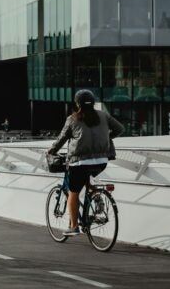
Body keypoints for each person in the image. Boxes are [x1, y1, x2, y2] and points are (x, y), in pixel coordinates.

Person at [48, 90, 124, 236]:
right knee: (87, 178)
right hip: (102, 161)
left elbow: (61, 139)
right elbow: (120, 129)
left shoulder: (72, 119)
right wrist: (108, 138)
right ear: (93, 102)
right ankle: (95, 196)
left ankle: (74, 226)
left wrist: (51, 151)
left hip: (80, 162)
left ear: (77, 104)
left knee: (73, 193)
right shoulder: (103, 115)